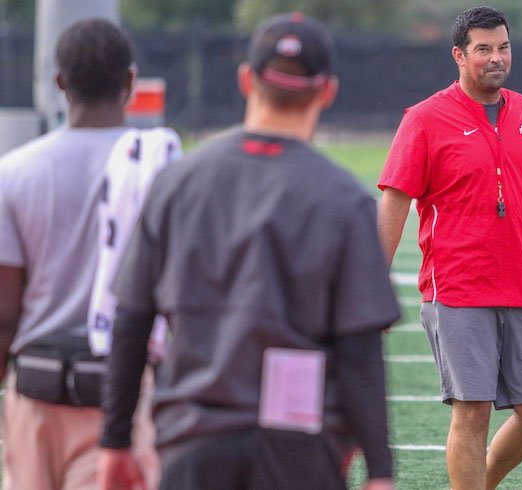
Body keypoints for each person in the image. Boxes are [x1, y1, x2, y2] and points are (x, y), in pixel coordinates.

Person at [96, 12, 401, 490]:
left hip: (193, 438)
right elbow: (359, 348)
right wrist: (381, 469)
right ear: (327, 91)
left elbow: (132, 319)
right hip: (299, 446)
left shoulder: (178, 183)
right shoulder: (342, 197)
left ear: (246, 79)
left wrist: (115, 441)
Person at [377, 6, 522, 489]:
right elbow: (394, 202)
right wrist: (371, 283)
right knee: (472, 413)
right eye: (484, 50)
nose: (497, 58)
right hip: (458, 286)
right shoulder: (425, 118)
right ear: (459, 55)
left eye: (504, 47)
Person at [0, 18, 163, 490]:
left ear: (59, 83)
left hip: (35, 391)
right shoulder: (158, 170)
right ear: (130, 82)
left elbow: (5, 312)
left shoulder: (13, 173)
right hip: (125, 390)